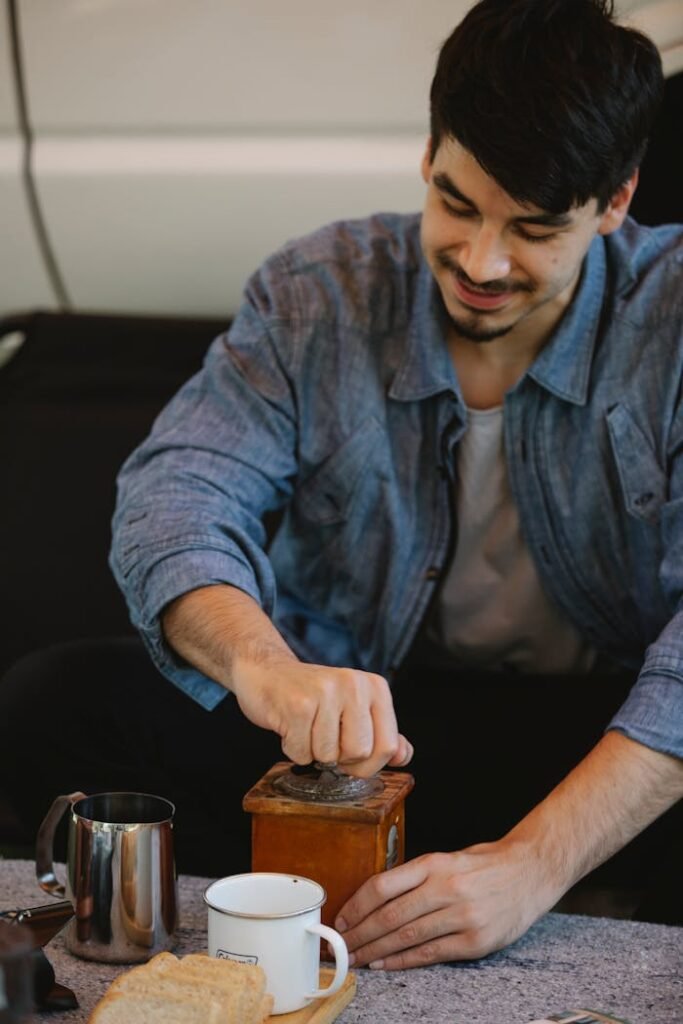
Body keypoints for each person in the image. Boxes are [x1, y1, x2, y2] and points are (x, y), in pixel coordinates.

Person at [1, 0, 681, 967]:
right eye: (456, 203)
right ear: (427, 156)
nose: (481, 262)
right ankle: (312, 909)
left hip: (592, 751)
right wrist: (265, 670)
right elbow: (177, 493)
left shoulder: (674, 316)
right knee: (53, 700)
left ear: (614, 203)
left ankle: (538, 905)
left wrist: (533, 864)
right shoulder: (317, 290)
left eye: (531, 229)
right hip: (350, 741)